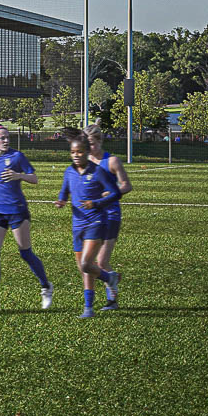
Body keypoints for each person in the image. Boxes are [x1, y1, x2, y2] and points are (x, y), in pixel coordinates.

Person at [0, 124, 53, 311]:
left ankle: (46, 287)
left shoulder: (17, 157)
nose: (6, 140)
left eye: (7, 137)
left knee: (25, 253)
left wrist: (19, 175)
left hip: (17, 210)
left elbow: (34, 178)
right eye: (1, 138)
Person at [55, 134, 125, 318]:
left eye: (80, 152)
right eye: (73, 152)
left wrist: (96, 203)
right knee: (83, 269)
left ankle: (109, 278)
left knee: (87, 264)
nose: (76, 155)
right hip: (77, 224)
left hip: (96, 221)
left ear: (87, 152)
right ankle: (89, 308)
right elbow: (64, 190)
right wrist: (61, 201)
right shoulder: (69, 171)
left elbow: (116, 193)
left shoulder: (97, 171)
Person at [82, 127, 130, 310]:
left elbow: (126, 185)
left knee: (101, 261)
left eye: (92, 144)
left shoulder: (112, 161)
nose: (89, 148)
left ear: (100, 142)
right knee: (90, 261)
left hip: (111, 215)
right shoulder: (85, 162)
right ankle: (112, 280)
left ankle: (112, 300)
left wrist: (112, 192)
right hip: (92, 216)